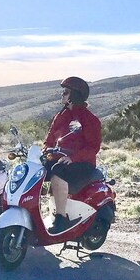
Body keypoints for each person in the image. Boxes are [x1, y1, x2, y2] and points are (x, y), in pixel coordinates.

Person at [43, 76, 102, 235]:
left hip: (82, 163)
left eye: (66, 92)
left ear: (75, 95)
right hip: (59, 159)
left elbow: (93, 147)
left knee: (58, 173)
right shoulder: (60, 116)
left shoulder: (89, 119)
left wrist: (73, 158)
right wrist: (45, 151)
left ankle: (61, 218)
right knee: (33, 171)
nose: (62, 94)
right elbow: (48, 140)